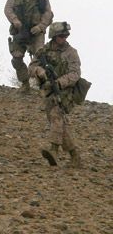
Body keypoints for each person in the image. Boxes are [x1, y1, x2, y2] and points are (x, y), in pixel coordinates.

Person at [28, 22, 82, 168]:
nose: (64, 38)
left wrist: (59, 82)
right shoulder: (43, 51)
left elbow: (75, 74)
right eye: (61, 36)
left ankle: (54, 150)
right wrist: (39, 71)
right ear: (54, 36)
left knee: (56, 115)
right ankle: (75, 156)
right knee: (58, 122)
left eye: (66, 36)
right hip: (48, 91)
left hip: (65, 91)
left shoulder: (71, 53)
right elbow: (31, 67)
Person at [4, 0, 53, 93]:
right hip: (20, 32)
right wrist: (15, 21)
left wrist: (41, 26)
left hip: (36, 33)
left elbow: (48, 12)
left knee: (40, 58)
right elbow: (8, 9)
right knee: (16, 58)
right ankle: (25, 84)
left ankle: (45, 86)